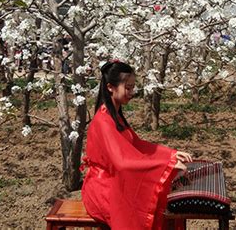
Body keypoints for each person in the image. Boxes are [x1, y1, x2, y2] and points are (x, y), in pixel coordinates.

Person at [81, 61, 192, 230]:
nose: (132, 92)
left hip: (113, 181)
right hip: (102, 189)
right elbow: (122, 162)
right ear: (110, 87)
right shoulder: (104, 120)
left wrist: (171, 155)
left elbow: (138, 145)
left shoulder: (114, 114)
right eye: (128, 87)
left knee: (161, 196)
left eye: (133, 87)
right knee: (151, 202)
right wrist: (165, 165)